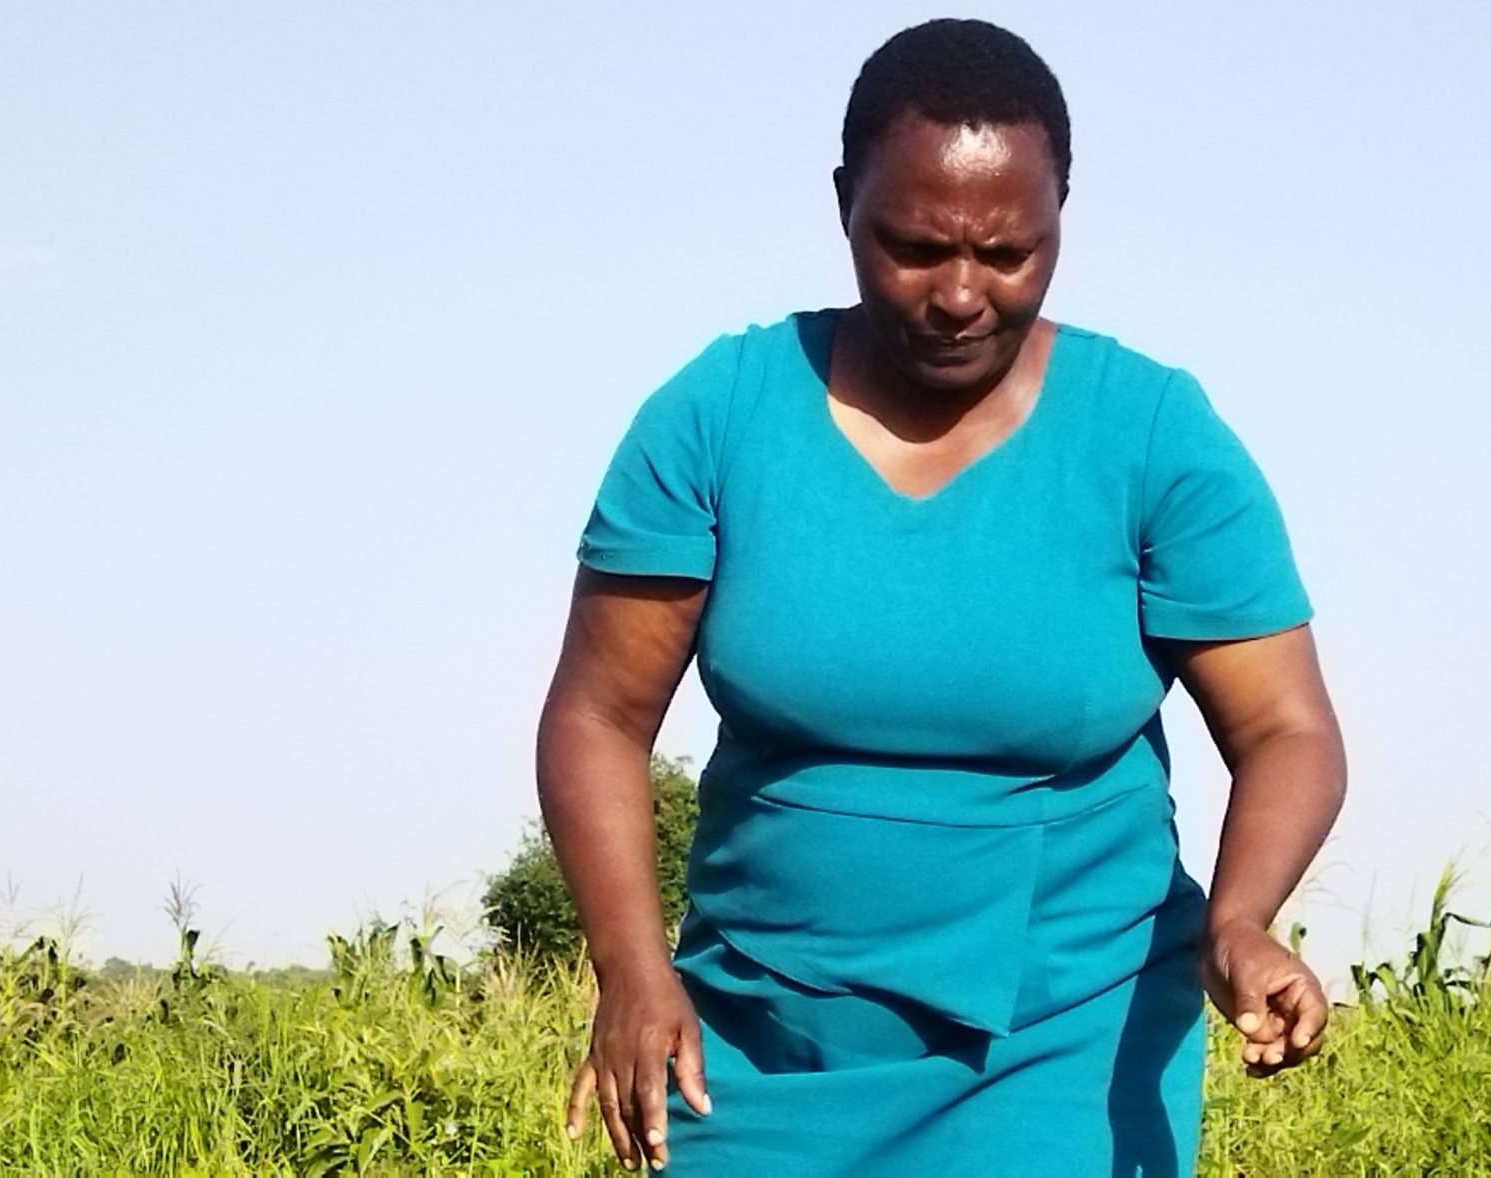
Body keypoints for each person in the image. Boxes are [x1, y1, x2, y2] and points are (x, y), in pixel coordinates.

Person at [535, 18, 1346, 1175]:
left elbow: (1286, 727)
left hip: (1064, 1042)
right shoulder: (718, 416)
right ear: (842, 205)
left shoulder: (1151, 436)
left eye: (1009, 254)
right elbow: (596, 716)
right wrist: (630, 969)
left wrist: (1240, 915)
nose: (960, 294)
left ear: (1063, 211)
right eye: (911, 246)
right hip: (755, 1039)